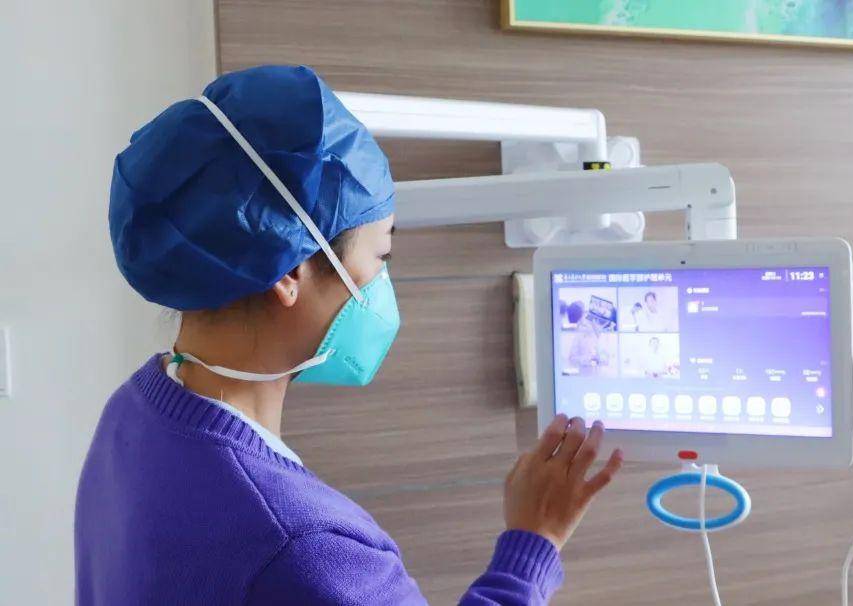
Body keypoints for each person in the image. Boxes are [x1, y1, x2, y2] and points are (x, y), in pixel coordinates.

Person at [76, 65, 622, 605]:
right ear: (288, 273)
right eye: (381, 256)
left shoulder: (132, 415)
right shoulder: (304, 547)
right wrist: (534, 542)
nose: (383, 283)